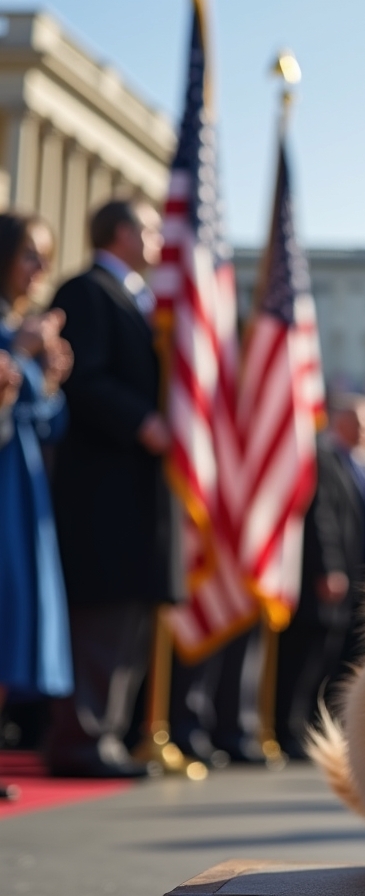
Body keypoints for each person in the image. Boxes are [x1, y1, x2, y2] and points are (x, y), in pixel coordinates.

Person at [45, 200, 169, 778]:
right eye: (148, 228)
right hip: (99, 490)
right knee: (100, 614)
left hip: (134, 492)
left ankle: (108, 733)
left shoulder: (138, 298)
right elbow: (83, 377)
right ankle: (82, 738)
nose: (157, 238)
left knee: (127, 616)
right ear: (122, 233)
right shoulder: (86, 291)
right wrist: (140, 420)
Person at [276, 394, 365, 757]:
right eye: (361, 423)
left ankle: (338, 733)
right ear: (341, 423)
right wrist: (329, 567)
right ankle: (292, 731)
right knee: (313, 659)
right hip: (333, 582)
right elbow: (321, 519)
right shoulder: (324, 460)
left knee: (351, 662)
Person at [0, 215, 73, 799]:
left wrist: (45, 380)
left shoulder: (17, 327)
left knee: (12, 610)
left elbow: (40, 423)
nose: (40, 270)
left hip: (18, 486)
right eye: (30, 254)